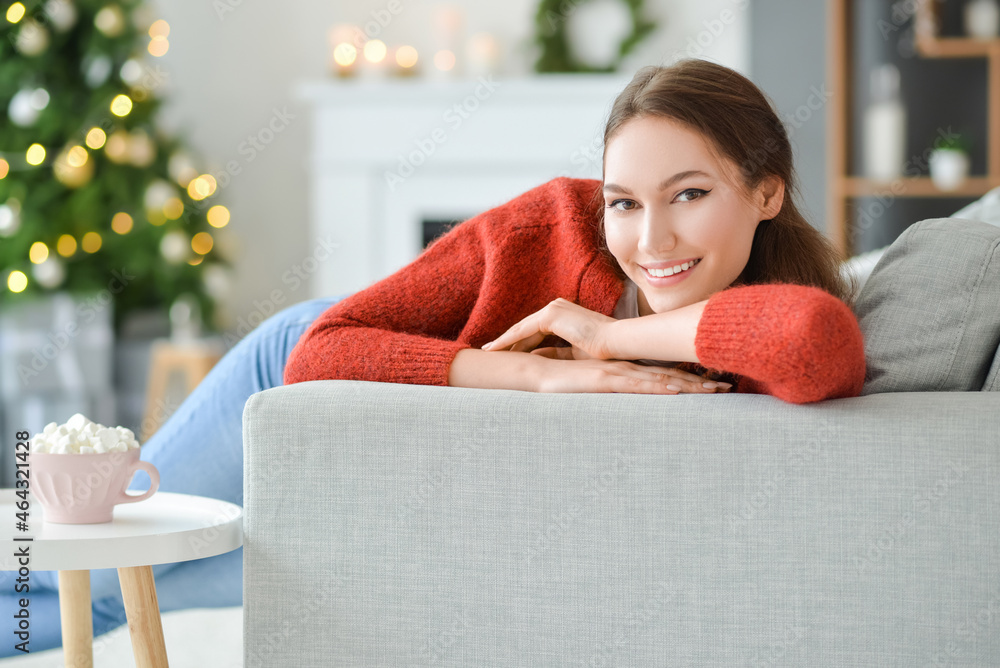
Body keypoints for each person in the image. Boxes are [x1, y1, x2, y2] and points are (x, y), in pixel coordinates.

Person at [0, 58, 864, 658]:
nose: (650, 240)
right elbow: (323, 348)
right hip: (303, 384)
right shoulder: (555, 224)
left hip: (378, 481)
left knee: (118, 590)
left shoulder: (765, 312)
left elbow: (813, 345)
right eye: (624, 203)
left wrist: (608, 337)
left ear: (768, 190)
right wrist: (538, 372)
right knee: (100, 572)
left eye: (690, 196)